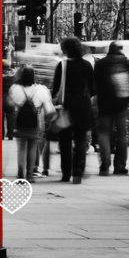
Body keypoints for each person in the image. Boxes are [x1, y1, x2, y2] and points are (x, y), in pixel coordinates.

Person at [51, 37, 94, 184]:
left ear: (66, 49)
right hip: (83, 106)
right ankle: (78, 170)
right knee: (81, 139)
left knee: (65, 140)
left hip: (66, 107)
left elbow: (56, 88)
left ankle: (66, 173)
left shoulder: (62, 65)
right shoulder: (87, 65)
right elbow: (92, 88)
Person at [7, 64, 55, 182]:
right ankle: (29, 175)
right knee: (33, 147)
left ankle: (21, 174)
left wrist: (19, 105)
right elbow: (50, 110)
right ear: (34, 76)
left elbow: (9, 103)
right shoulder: (41, 89)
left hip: (20, 122)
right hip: (36, 123)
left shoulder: (15, 88)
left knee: (21, 147)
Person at [94, 41, 129, 175]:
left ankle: (105, 165)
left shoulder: (100, 63)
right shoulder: (126, 62)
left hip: (104, 103)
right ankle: (120, 166)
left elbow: (95, 83)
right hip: (122, 103)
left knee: (104, 133)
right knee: (122, 134)